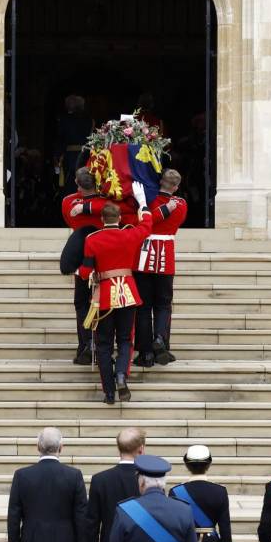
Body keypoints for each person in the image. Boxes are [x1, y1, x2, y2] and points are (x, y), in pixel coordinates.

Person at [77, 195, 156, 404]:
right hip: (127, 293)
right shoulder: (129, 235)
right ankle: (121, 374)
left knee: (103, 344)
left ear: (102, 220)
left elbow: (85, 272)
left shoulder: (92, 240)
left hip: (104, 295)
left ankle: (109, 392)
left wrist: (84, 272)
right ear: (119, 218)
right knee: (124, 340)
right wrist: (144, 205)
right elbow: (147, 225)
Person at [133, 169, 187, 368]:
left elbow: (145, 220)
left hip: (144, 258)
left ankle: (146, 352)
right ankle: (160, 340)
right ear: (176, 187)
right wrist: (166, 209)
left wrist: (146, 204)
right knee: (164, 305)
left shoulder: (148, 202)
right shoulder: (180, 204)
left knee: (144, 307)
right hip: (166, 258)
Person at [62, 169, 105, 365]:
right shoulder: (106, 203)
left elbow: (70, 219)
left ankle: (86, 344)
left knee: (82, 304)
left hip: (81, 260)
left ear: (78, 184)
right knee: (102, 305)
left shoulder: (69, 202)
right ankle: (99, 344)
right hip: (104, 258)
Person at [53, 95, 94, 191]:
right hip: (86, 155)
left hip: (70, 157)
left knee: (70, 184)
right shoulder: (89, 120)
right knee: (85, 181)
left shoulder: (64, 120)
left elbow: (61, 138)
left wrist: (56, 155)